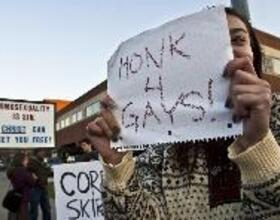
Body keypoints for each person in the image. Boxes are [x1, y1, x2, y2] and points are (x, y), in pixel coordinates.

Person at [87, 7, 280, 219]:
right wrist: (117, 165)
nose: (225, 51)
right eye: (209, 44)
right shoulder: (163, 143)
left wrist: (257, 142)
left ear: (254, 53)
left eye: (238, 40)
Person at [6, 152, 37, 220]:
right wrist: (34, 177)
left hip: (15, 196)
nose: (27, 161)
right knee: (23, 216)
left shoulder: (13, 170)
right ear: (21, 160)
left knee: (14, 214)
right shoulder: (23, 171)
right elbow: (32, 183)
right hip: (23, 197)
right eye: (26, 159)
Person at [28, 149, 52, 220]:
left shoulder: (43, 162)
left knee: (47, 208)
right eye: (41, 152)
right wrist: (34, 179)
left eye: (43, 151)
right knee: (34, 210)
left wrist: (50, 170)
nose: (43, 153)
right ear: (37, 153)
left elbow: (48, 172)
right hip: (35, 189)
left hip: (43, 187)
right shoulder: (31, 162)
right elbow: (28, 173)